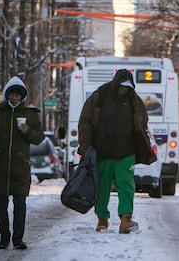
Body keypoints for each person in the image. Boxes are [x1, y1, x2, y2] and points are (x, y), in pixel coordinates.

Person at [77, 69, 156, 234]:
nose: (124, 90)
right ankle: (102, 219)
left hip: (126, 153)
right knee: (102, 187)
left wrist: (142, 145)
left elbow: (143, 124)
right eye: (122, 86)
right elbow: (85, 121)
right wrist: (85, 146)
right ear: (115, 83)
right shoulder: (100, 96)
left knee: (126, 186)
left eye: (127, 87)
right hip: (102, 152)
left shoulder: (134, 101)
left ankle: (125, 220)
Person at [0, 76, 44, 250]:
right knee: (1, 205)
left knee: (20, 204)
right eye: (11, 94)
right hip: (0, 167)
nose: (14, 98)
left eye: (17, 95)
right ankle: (4, 237)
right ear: (6, 95)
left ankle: (18, 239)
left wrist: (27, 131)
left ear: (22, 97)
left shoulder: (30, 114)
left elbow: (39, 138)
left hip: (20, 167)